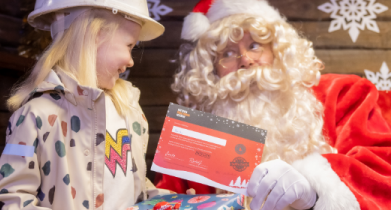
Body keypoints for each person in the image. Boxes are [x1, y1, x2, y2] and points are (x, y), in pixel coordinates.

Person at [155, 0, 391, 209]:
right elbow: (164, 197)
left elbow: (381, 170)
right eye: (227, 53)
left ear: (277, 49)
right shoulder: (195, 136)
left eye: (255, 45)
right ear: (211, 68)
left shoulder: (343, 94)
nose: (246, 60)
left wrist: (316, 190)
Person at [0, 0, 170, 209]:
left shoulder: (129, 110)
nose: (131, 61)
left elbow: (129, 184)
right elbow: (9, 201)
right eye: (129, 46)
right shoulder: (35, 116)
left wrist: (174, 201)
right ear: (95, 36)